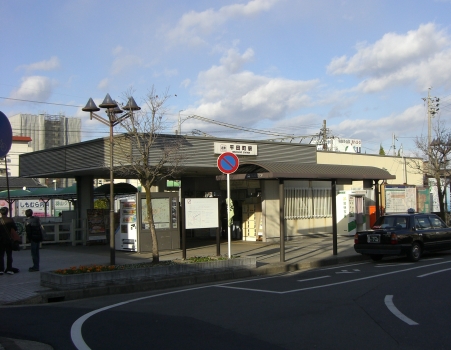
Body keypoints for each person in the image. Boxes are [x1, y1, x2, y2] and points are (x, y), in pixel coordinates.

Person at [0, 207, 17, 275]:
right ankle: (9, 269)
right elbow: (15, 228)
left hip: (0, 240)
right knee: (9, 255)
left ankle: (1, 269)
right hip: (8, 240)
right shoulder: (10, 220)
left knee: (1, 255)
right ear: (7, 212)